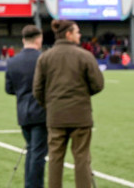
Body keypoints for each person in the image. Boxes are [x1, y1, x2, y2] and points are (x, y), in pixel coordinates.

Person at [33, 20, 104, 188]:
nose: (80, 35)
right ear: (68, 34)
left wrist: (50, 104)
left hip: (56, 116)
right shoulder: (85, 56)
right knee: (82, 159)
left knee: (55, 160)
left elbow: (37, 89)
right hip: (81, 116)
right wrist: (82, 95)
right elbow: (98, 85)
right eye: (77, 32)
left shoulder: (45, 57)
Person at [5, 25, 47, 188]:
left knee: (32, 151)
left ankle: (30, 185)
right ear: (39, 39)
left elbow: (9, 89)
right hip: (41, 112)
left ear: (23, 40)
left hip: (23, 113)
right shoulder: (44, 58)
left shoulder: (13, 61)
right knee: (37, 154)